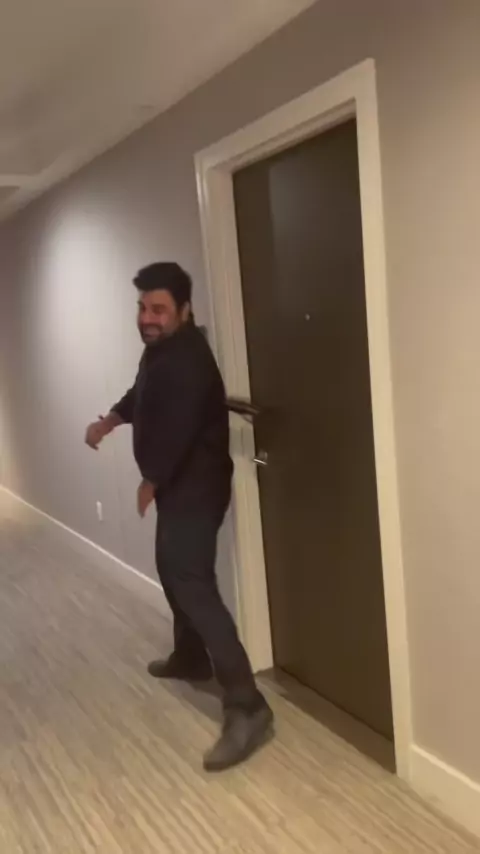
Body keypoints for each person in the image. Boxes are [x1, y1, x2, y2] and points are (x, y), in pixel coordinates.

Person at [85, 262, 273, 771]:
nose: (147, 318)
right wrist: (111, 419)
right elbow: (142, 394)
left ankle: (249, 706)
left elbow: (178, 429)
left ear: (184, 311)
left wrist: (151, 481)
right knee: (174, 572)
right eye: (143, 307)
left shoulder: (188, 360)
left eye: (159, 309)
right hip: (178, 487)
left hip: (196, 488)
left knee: (192, 584)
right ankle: (190, 656)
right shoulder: (161, 349)